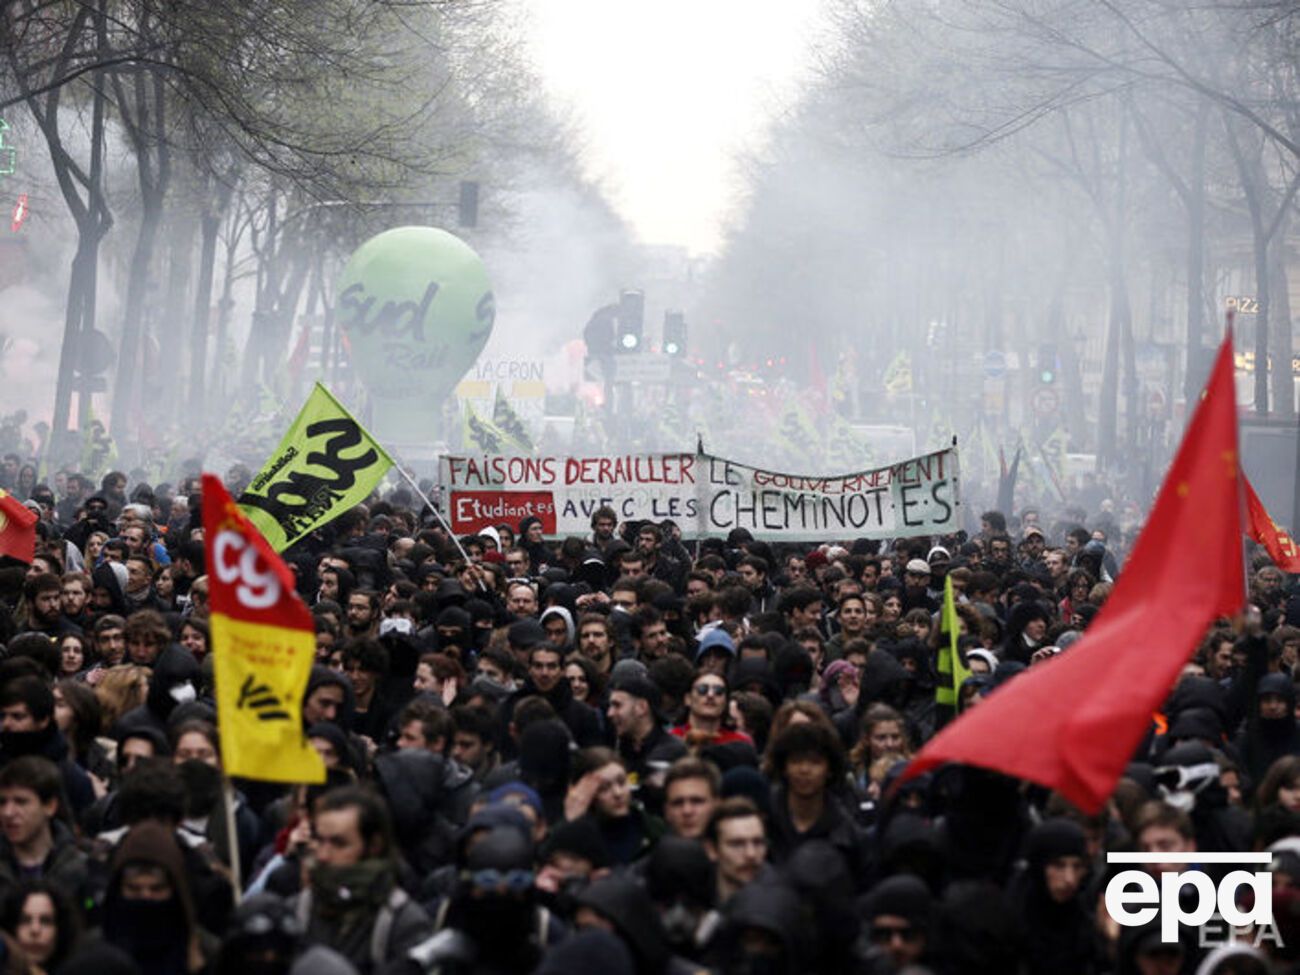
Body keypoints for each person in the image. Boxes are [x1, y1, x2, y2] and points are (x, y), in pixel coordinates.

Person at [292, 786, 432, 972]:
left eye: (339, 843)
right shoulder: (299, 910)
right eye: (319, 840)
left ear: (374, 845)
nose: (323, 855)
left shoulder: (401, 923)